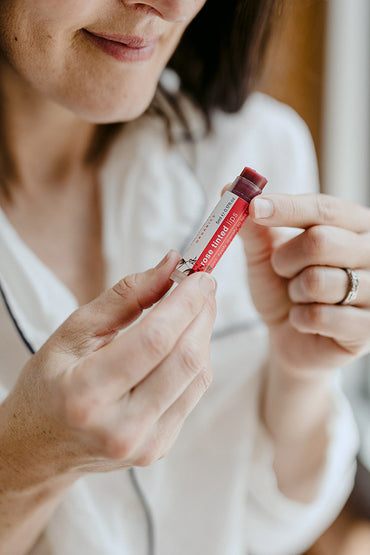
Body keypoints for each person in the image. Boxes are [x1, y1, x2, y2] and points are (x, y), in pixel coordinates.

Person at [0, 1, 366, 554]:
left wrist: (300, 375)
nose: (173, 4)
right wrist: (25, 464)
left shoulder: (259, 141)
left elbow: (269, 526)